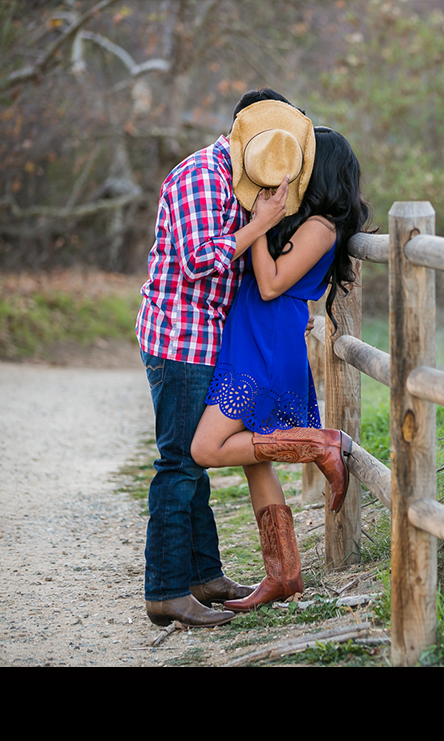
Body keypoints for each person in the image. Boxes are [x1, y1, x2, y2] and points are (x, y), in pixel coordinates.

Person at [136, 88, 309, 628]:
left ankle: (203, 576)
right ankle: (165, 589)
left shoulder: (239, 179)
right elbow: (197, 262)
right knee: (180, 464)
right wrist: (258, 225)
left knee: (197, 464)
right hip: (179, 337)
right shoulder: (199, 176)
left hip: (204, 340)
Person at [190, 121, 371, 612]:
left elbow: (270, 284)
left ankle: (320, 442)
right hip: (252, 336)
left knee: (206, 448)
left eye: (304, 162)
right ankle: (284, 574)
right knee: (254, 460)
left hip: (266, 344)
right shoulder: (305, 222)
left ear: (323, 170)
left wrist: (260, 221)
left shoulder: (321, 228)